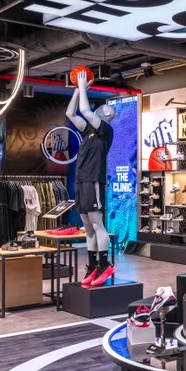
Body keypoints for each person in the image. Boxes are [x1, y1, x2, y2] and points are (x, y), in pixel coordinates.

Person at [67, 70, 116, 286]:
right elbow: (71, 113)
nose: (100, 110)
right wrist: (77, 91)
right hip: (81, 180)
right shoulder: (88, 130)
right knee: (87, 226)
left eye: (104, 110)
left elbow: (85, 110)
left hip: (94, 180)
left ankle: (105, 265)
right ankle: (93, 265)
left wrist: (83, 86)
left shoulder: (105, 130)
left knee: (98, 225)